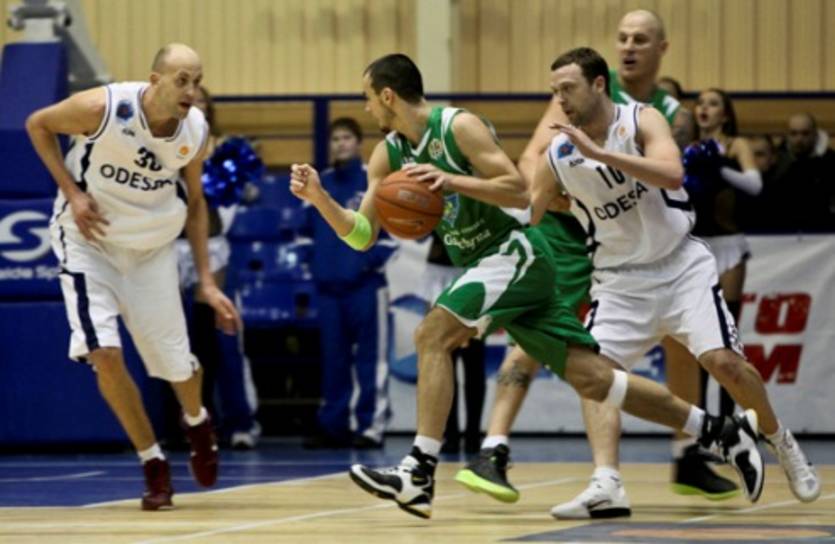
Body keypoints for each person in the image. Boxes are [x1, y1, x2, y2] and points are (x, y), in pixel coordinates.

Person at [290, 52, 765, 520]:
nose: (367, 107)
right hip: (484, 266)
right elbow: (362, 235)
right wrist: (320, 198)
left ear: (388, 95)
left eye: (368, 97)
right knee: (594, 378)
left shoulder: (458, 126)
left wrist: (450, 180)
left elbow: (517, 189)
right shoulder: (387, 154)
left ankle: (418, 471)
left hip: (513, 251)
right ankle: (718, 431)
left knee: (430, 334)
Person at [457, 10, 732, 517]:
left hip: (630, 241)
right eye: (622, 38)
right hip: (566, 234)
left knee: (680, 339)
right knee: (542, 336)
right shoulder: (577, 93)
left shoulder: (668, 111)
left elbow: (668, 176)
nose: (628, 46)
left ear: (662, 49)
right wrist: (557, 200)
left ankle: (687, 454)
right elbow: (533, 159)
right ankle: (493, 449)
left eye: (640, 39)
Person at [528, 47, 819, 519]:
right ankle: (607, 483)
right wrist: (464, 192)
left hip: (680, 266)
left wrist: (601, 155)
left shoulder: (641, 120)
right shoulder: (558, 155)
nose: (560, 99)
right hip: (619, 281)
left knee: (724, 363)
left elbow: (671, 173)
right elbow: (530, 211)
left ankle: (779, 440)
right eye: (554, 91)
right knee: (594, 376)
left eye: (568, 88)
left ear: (599, 84)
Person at [26, 43, 240, 511]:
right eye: (181, 80)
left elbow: (197, 203)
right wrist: (72, 193)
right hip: (89, 243)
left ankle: (197, 421)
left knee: (178, 366)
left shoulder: (195, 129)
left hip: (152, 250)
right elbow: (37, 124)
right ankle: (152, 462)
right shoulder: (103, 108)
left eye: (197, 81)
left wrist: (207, 282)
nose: (191, 90)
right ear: (155, 80)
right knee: (103, 352)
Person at [301, 117, 397, 450]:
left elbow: (391, 237)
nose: (340, 143)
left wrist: (365, 264)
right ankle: (333, 425)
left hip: (366, 288)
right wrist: (316, 264)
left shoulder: (373, 179)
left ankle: (371, 426)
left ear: (358, 143)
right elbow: (304, 235)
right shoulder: (319, 184)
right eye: (335, 138)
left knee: (371, 360)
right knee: (334, 361)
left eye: (346, 138)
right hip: (329, 290)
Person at [175, 85, 260, 449]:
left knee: (225, 340)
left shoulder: (226, 149)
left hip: (214, 249)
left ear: (210, 108)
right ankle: (189, 424)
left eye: (202, 101)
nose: (196, 105)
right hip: (172, 249)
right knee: (181, 345)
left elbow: (244, 196)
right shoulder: (164, 143)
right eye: (190, 100)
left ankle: (241, 422)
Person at [688, 88, 762, 419]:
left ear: (725, 113)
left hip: (729, 244)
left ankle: (732, 418)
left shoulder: (736, 145)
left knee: (728, 334)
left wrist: (718, 169)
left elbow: (755, 185)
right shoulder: (687, 148)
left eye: (713, 104)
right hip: (696, 246)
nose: (704, 109)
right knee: (699, 337)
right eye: (700, 103)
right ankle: (703, 418)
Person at [421, 232, 486, 455]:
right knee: (443, 357)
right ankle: (449, 434)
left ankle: (473, 433)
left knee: (474, 360)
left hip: (474, 271)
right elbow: (419, 233)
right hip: (438, 271)